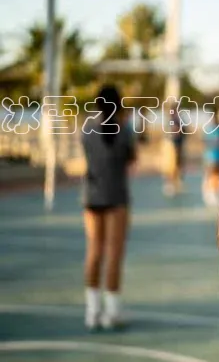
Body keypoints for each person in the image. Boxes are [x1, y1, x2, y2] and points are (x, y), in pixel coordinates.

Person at [81, 84, 136, 330]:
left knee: (94, 252)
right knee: (114, 254)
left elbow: (87, 157)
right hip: (116, 196)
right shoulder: (124, 130)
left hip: (92, 196)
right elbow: (131, 159)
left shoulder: (87, 128)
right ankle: (111, 312)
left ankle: (92, 312)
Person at [163, 103, 186, 197]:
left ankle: (176, 183)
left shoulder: (177, 120)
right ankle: (170, 184)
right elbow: (174, 131)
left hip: (177, 145)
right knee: (171, 165)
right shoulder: (172, 120)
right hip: (172, 146)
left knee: (178, 165)